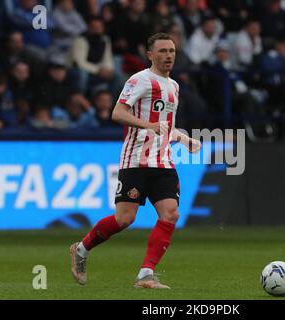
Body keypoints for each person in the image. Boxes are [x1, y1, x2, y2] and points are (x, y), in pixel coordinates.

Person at [69, 33, 202, 289]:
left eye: (172, 51)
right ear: (150, 54)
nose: (168, 56)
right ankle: (82, 249)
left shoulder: (174, 86)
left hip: (163, 161)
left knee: (170, 213)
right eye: (162, 51)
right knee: (124, 220)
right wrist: (148, 125)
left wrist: (182, 139)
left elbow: (165, 126)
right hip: (135, 161)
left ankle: (146, 274)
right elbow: (117, 113)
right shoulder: (139, 79)